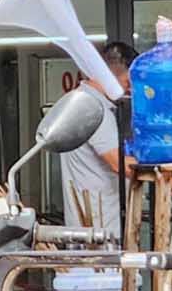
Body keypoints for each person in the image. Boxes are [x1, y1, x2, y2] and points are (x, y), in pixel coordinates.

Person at [58, 40, 137, 242]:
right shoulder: (94, 108)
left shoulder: (81, 101)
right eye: (128, 83)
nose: (129, 91)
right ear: (109, 75)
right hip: (99, 231)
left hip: (93, 227)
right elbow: (121, 165)